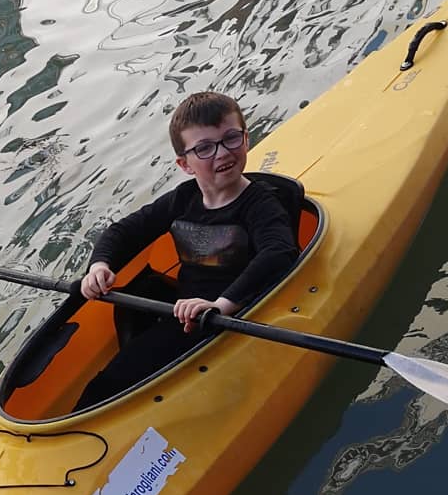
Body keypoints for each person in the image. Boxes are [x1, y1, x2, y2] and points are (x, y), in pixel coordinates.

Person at [75, 91, 298, 409]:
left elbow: (278, 253)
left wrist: (220, 305)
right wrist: (99, 265)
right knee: (108, 382)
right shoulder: (183, 199)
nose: (222, 153)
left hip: (231, 314)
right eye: (205, 148)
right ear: (185, 164)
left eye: (231, 139)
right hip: (186, 313)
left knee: (117, 378)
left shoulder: (261, 204)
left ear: (246, 139)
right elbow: (123, 231)